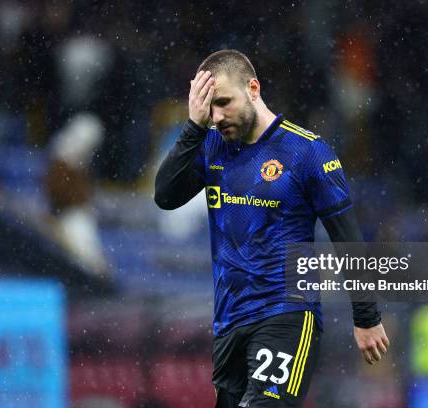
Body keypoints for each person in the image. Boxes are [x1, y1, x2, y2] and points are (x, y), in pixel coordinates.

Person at [155, 49, 389, 407]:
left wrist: (366, 317)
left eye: (223, 102)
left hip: (288, 314)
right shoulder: (212, 145)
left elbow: (348, 239)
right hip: (229, 322)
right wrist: (194, 127)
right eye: (210, 107)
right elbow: (165, 196)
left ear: (253, 88)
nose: (217, 116)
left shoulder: (308, 153)